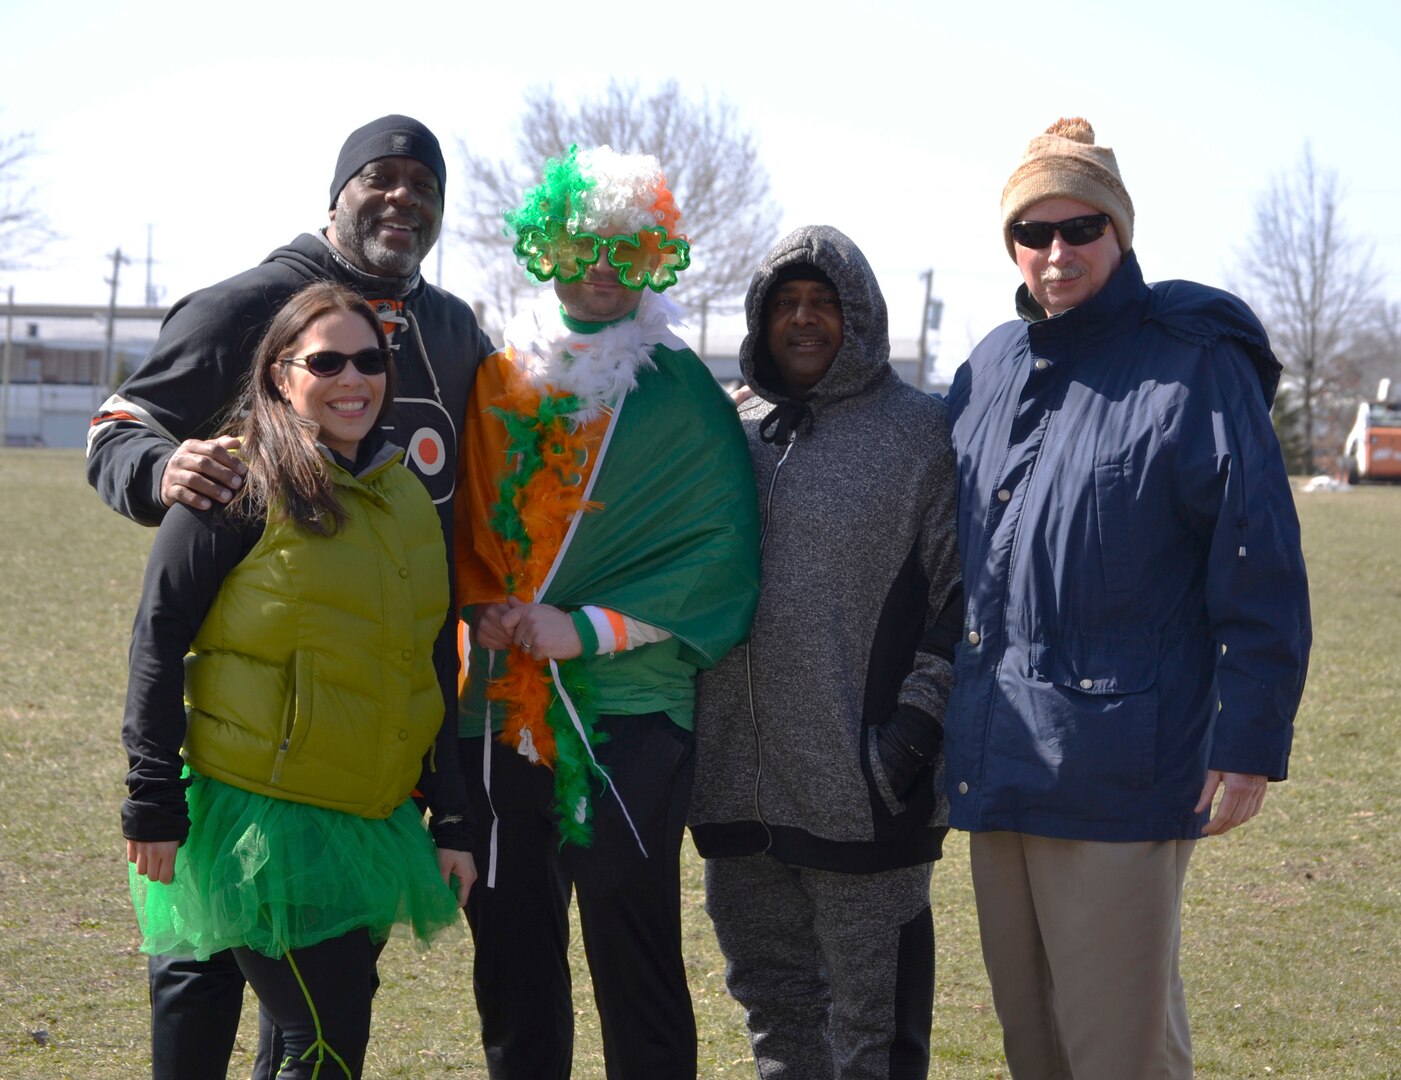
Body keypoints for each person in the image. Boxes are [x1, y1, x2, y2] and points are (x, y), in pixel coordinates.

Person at [88, 114, 490, 1080]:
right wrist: (164, 467)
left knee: (315, 1002)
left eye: (423, 185)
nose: (402, 199)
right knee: (206, 975)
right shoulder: (253, 305)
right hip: (244, 743)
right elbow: (116, 428)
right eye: (379, 179)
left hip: (368, 728)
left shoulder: (448, 328)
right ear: (336, 194)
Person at [944, 117, 1312, 1079]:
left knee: (1119, 1049)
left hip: (1119, 765)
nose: (1055, 253)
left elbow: (1258, 555)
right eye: (1033, 233)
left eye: (1080, 229)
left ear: (1121, 233)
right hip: (999, 754)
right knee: (1037, 1042)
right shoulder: (987, 367)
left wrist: (1248, 739)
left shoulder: (1192, 363)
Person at [454, 144, 761, 1079]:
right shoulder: (496, 377)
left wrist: (581, 629)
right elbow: (462, 525)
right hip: (504, 710)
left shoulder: (682, 395)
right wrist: (489, 609)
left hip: (630, 714)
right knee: (510, 951)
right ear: (547, 245)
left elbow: (718, 561)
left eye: (625, 250)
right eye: (584, 243)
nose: (600, 267)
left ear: (653, 259)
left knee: (632, 953)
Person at [687, 225, 962, 1080]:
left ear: (862, 316)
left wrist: (909, 737)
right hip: (734, 790)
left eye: (824, 304)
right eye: (785, 304)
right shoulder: (728, 427)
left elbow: (961, 601)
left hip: (863, 796)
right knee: (775, 1014)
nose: (803, 321)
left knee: (870, 1034)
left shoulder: (921, 433)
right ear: (759, 318)